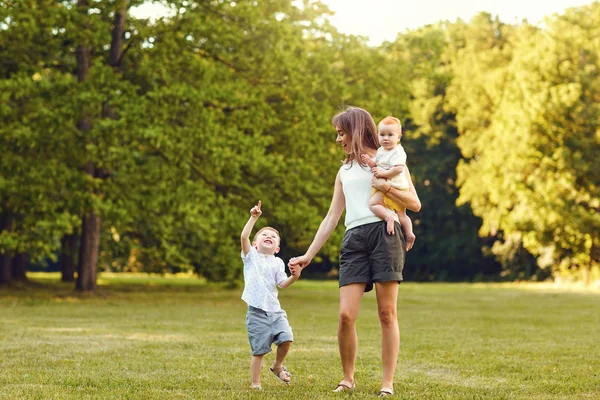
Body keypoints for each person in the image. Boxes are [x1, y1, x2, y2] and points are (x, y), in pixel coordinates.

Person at [288, 107, 421, 397]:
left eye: (341, 133)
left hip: (385, 233)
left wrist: (385, 184)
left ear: (356, 130)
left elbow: (414, 203)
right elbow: (331, 217)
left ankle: (388, 383)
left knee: (387, 313)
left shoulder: (389, 158)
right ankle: (348, 378)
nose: (338, 140)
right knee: (345, 316)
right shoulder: (344, 171)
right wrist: (308, 256)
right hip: (354, 239)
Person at [240, 200, 301, 390]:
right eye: (264, 235)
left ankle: (277, 366)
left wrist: (294, 276)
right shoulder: (251, 257)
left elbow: (282, 284)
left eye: (273, 237)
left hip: (275, 311)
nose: (269, 236)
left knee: (287, 338)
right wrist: (253, 218)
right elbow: (243, 236)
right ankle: (255, 384)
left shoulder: (277, 262)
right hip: (257, 313)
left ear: (277, 248)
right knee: (259, 351)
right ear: (255, 244)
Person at [360, 116, 416, 250]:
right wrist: (369, 161)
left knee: (373, 203)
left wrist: (383, 174)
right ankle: (409, 234)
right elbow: (376, 165)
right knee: (402, 214)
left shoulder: (398, 151)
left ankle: (388, 218)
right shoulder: (380, 151)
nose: (386, 138)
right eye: (382, 135)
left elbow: (398, 169)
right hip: (390, 187)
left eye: (390, 135)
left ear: (399, 137)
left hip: (394, 186)